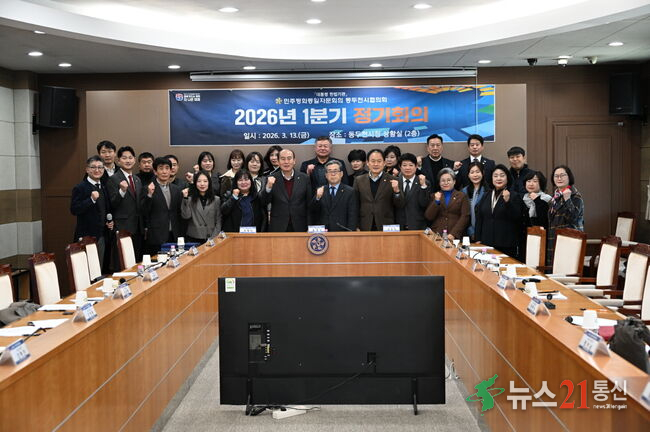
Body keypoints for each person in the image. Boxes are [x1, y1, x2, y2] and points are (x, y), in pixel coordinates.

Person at [70, 156, 113, 266]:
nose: (97, 170)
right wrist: (91, 200)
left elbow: (104, 209)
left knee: (98, 269)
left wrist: (109, 222)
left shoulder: (103, 187)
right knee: (86, 269)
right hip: (86, 236)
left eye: (100, 167)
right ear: (87, 169)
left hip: (101, 236)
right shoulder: (80, 187)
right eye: (93, 167)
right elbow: (74, 209)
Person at [475, 164, 524, 258]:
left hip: (506, 244)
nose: (498, 178)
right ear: (491, 178)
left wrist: (508, 202)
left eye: (502, 175)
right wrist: (478, 238)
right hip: (487, 242)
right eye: (495, 176)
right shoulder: (486, 195)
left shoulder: (513, 195)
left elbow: (517, 217)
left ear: (507, 178)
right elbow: (480, 218)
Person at [106, 145, 144, 262]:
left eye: (130, 158)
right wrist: (122, 191)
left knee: (136, 261)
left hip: (138, 228)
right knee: (123, 261)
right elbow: (112, 204)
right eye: (124, 158)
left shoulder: (137, 179)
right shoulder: (113, 179)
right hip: (122, 227)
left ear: (134, 160)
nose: (128, 160)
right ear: (118, 161)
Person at [261, 149, 312, 232]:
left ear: (294, 161)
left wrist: (309, 226)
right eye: (283, 159)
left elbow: (309, 204)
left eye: (289, 158)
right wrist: (268, 187)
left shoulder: (304, 178)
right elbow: (264, 202)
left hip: (300, 225)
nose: (286, 162)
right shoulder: (271, 178)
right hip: (278, 226)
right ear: (278, 162)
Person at [354, 149, 404, 231]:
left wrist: (397, 191)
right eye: (373, 161)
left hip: (386, 226)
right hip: (365, 225)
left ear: (384, 163)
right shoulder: (359, 180)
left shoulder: (394, 180)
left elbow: (400, 205)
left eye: (379, 161)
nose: (376, 164)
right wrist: (356, 225)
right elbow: (355, 205)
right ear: (367, 163)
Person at [140, 157, 183, 254]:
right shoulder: (147, 188)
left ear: (170, 171)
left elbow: (179, 212)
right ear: (155, 172)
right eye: (161, 168)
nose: (164, 171)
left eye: (167, 168)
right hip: (156, 236)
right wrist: (149, 195)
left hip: (174, 234)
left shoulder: (176, 189)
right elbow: (144, 211)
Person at [547, 165, 584, 264]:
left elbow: (573, 218)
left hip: (569, 241)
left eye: (562, 175)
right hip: (554, 240)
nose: (559, 178)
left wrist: (567, 199)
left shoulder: (575, 196)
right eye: (556, 176)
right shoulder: (554, 197)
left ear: (569, 177)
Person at [310, 160, 358, 231]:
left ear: (341, 174)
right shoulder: (321, 190)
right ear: (326, 175)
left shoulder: (350, 191)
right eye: (330, 171)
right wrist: (317, 197)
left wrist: (350, 233)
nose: (333, 174)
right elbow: (313, 211)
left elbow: (352, 216)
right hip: (323, 233)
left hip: (342, 232)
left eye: (335, 171)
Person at [424, 168, 470, 240]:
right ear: (439, 183)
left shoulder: (462, 196)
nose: (446, 183)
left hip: (455, 236)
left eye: (449, 180)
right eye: (443, 180)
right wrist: (436, 201)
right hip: (437, 234)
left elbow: (465, 217)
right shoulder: (434, 196)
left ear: (454, 181)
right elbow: (429, 216)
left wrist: (453, 234)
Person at [181, 171, 221, 243]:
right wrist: (185, 198)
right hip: (193, 238)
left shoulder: (216, 199)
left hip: (211, 237)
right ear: (195, 183)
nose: (202, 184)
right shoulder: (190, 199)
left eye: (205, 181)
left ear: (209, 183)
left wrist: (213, 238)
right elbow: (186, 216)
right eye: (199, 181)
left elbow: (218, 221)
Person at [395, 153, 431, 230]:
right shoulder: (395, 182)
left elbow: (424, 204)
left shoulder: (424, 182)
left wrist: (423, 186)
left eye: (411, 165)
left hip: (418, 225)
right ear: (400, 167)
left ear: (416, 166)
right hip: (398, 225)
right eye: (404, 165)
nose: (407, 168)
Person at [461, 161, 488, 240]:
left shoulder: (488, 191)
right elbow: (464, 215)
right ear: (468, 175)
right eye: (472, 172)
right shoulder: (464, 191)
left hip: (485, 232)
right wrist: (471, 232)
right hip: (469, 233)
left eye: (477, 172)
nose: (475, 175)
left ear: (483, 173)